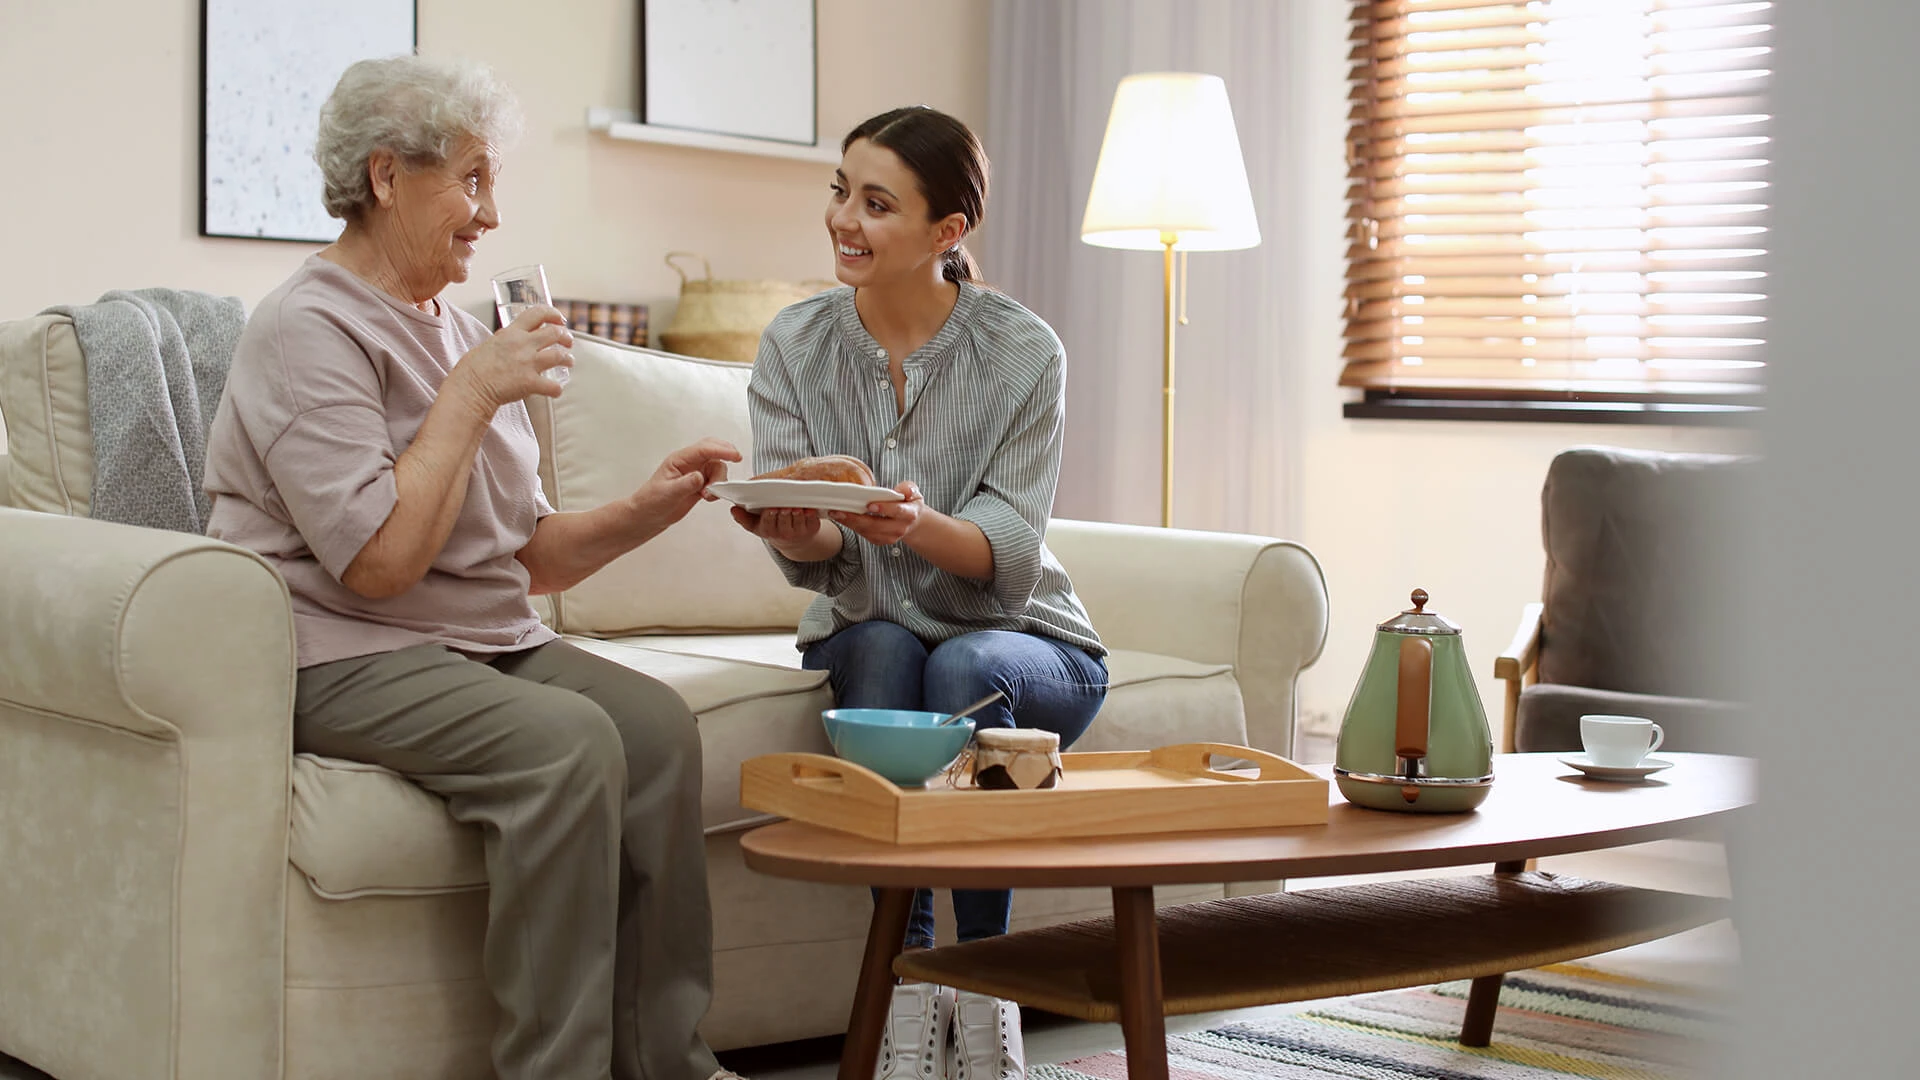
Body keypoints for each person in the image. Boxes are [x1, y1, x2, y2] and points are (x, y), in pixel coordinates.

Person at [201, 55, 745, 1080]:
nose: (491, 214)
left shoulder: (450, 324)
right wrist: (472, 393)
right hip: (344, 650)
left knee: (660, 729)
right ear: (386, 177)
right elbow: (378, 564)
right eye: (471, 179)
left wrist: (647, 509)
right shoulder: (303, 330)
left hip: (477, 641)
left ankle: (667, 1061)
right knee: (570, 744)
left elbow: (523, 554)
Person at [734, 106, 1108, 1080]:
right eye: (839, 191)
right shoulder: (795, 343)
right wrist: (798, 526)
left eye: (876, 203)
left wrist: (912, 523)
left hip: (1027, 644)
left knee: (965, 662)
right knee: (884, 647)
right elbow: (821, 556)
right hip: (873, 631)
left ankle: (982, 989)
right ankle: (910, 989)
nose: (842, 220)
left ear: (948, 234)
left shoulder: (1024, 352)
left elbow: (1010, 556)